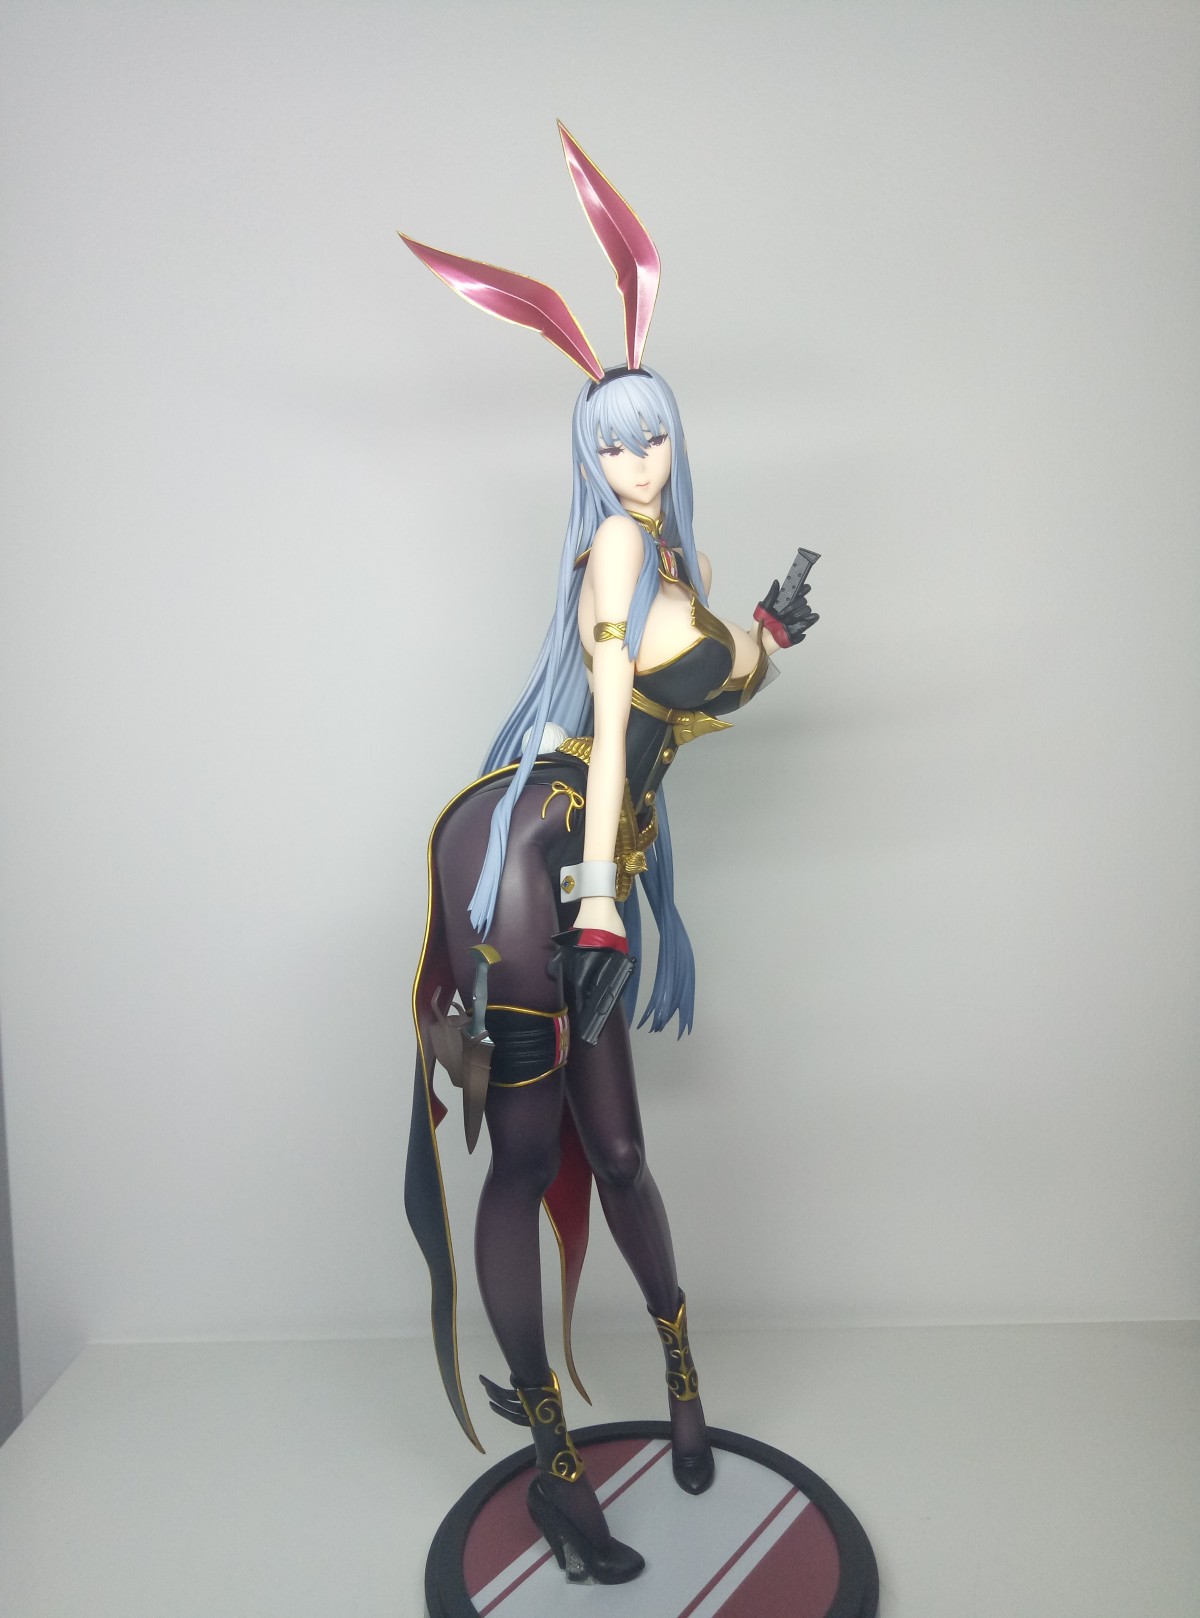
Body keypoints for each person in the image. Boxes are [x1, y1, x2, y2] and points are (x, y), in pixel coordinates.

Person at [402, 128, 818, 1586]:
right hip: (551, 858)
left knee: (622, 1149)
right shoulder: (619, 559)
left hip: (596, 853)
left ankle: (682, 1375)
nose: (637, 462)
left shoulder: (675, 557)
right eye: (613, 446)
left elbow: (705, 697)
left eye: (651, 437)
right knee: (528, 1155)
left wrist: (767, 637)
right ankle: (557, 1470)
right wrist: (593, 909)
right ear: (588, 459)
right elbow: (618, 715)